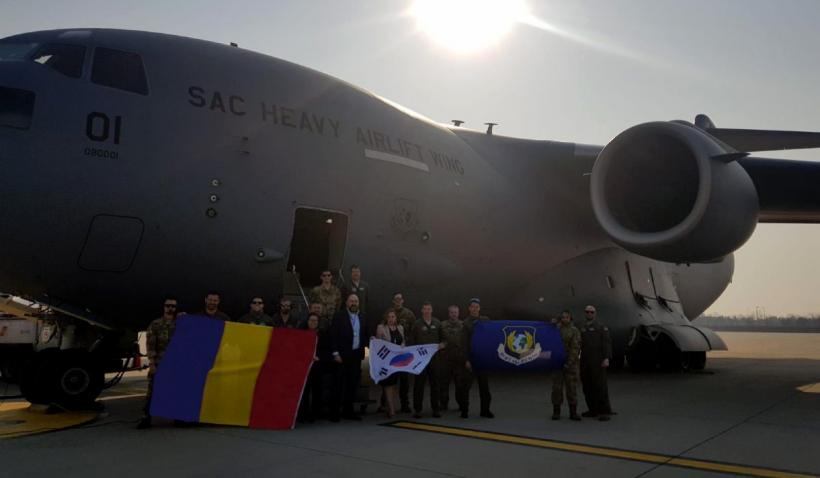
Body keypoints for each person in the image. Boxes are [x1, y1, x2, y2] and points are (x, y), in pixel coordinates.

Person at [137, 296, 179, 429]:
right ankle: (146, 417)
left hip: (175, 363)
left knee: (176, 391)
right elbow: (150, 346)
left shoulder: (180, 324)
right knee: (152, 391)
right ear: (164, 307)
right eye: (168, 305)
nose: (170, 308)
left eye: (173, 306)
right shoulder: (155, 324)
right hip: (159, 362)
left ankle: (178, 417)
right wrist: (152, 364)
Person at [328, 293, 367, 422]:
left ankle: (348, 411)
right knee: (338, 384)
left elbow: (365, 334)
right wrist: (335, 353)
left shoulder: (362, 316)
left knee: (352, 385)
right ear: (346, 303)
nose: (354, 303)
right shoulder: (339, 316)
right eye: (351, 301)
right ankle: (334, 412)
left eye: (356, 301)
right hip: (342, 356)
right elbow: (333, 334)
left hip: (355, 356)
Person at [409, 302, 445, 419]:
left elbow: (444, 339)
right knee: (419, 384)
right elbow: (412, 341)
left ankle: (436, 409)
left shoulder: (437, 323)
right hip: (420, 360)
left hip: (434, 359)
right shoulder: (417, 324)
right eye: (425, 309)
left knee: (435, 384)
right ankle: (418, 409)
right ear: (422, 310)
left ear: (432, 310)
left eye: (429, 309)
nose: (427, 311)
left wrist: (443, 344)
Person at [579, 305, 614, 421]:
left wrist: (606, 358)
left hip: (598, 360)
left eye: (591, 312)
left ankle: (604, 412)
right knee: (587, 386)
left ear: (595, 313)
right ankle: (592, 410)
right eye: (587, 312)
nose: (589, 314)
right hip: (585, 361)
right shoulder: (581, 327)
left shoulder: (601, 327)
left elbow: (607, 343)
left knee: (600, 386)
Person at [463, 298, 494, 418]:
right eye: (472, 307)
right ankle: (464, 410)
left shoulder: (486, 320)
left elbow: (492, 336)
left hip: (483, 359)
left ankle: (485, 410)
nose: (475, 309)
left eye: (477, 307)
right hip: (471, 358)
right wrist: (466, 359)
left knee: (484, 388)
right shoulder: (466, 323)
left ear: (479, 308)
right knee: (466, 387)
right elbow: (464, 343)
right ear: (469, 308)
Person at [387, 291, 417, 412]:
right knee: (389, 379)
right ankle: (385, 404)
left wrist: (411, 346)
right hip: (391, 353)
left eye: (400, 299)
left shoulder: (409, 314)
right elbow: (383, 327)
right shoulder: (388, 313)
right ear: (393, 301)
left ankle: (405, 404)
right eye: (396, 299)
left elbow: (414, 330)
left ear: (403, 300)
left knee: (404, 380)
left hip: (404, 351)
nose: (398, 301)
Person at [439, 305, 470, 417]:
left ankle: (461, 404)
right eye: (452, 312)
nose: (453, 314)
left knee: (459, 384)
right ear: (449, 313)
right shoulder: (442, 325)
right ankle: (443, 404)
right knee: (443, 383)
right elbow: (438, 339)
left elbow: (467, 341)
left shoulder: (463, 325)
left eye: (455, 312)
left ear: (458, 313)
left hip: (458, 359)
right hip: (445, 358)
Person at [298, 312, 329, 422]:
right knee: (305, 391)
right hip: (305, 366)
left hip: (318, 367)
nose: (313, 322)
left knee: (317, 390)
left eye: (315, 321)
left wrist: (319, 357)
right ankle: (303, 413)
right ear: (307, 321)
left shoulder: (322, 335)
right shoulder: (302, 333)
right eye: (311, 320)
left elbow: (326, 350)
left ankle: (315, 413)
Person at [551, 310, 581, 421]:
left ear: (570, 318)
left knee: (571, 388)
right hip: (557, 363)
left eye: (566, 317)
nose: (564, 319)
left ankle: (573, 412)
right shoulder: (556, 329)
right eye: (563, 317)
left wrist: (569, 362)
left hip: (571, 364)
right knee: (556, 388)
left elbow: (575, 348)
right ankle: (556, 411)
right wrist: (551, 324)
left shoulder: (574, 331)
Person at [375, 310, 405, 418]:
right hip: (386, 361)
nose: (391, 319)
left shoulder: (400, 328)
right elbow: (377, 344)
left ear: (396, 318)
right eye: (389, 317)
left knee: (393, 385)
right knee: (388, 384)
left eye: (393, 316)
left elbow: (403, 341)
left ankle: (385, 405)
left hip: (396, 361)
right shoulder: (381, 328)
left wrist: (402, 347)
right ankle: (391, 409)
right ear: (386, 318)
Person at [342, 264, 370, 330]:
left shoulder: (365, 286)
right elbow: (343, 301)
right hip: (349, 315)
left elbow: (367, 301)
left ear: (360, 273)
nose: (356, 273)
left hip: (362, 315)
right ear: (350, 273)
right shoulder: (346, 285)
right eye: (353, 272)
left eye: (357, 271)